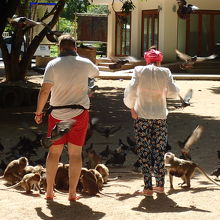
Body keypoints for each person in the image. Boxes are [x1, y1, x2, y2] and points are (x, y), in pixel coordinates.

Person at [34, 34, 99, 201]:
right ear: (75, 48)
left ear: (59, 48)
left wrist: (39, 112)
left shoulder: (53, 64)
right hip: (79, 114)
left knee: (54, 153)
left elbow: (44, 91)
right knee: (75, 154)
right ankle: (71, 193)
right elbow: (96, 74)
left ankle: (49, 191)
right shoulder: (85, 63)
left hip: (57, 115)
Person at [123, 48, 179, 196]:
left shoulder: (139, 70)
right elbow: (173, 92)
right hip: (160, 116)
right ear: (159, 60)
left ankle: (147, 187)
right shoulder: (165, 71)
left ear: (147, 59)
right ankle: (160, 185)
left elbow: (132, 89)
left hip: (142, 116)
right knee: (159, 151)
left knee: (144, 151)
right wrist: (162, 92)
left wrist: (131, 107)